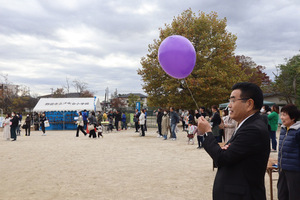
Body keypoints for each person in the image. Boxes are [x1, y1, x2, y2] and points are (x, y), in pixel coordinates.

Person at [197, 82, 270, 200]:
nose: (229, 106)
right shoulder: (246, 125)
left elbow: (222, 158)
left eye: (233, 101)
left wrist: (207, 132)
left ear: (249, 104)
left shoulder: (253, 129)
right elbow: (228, 155)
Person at [277, 104, 300, 200]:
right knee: (282, 194)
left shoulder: (298, 131)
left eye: (284, 115)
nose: (281, 117)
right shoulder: (283, 129)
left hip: (294, 170)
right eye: (281, 114)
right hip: (282, 168)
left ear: (293, 117)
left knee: (294, 195)